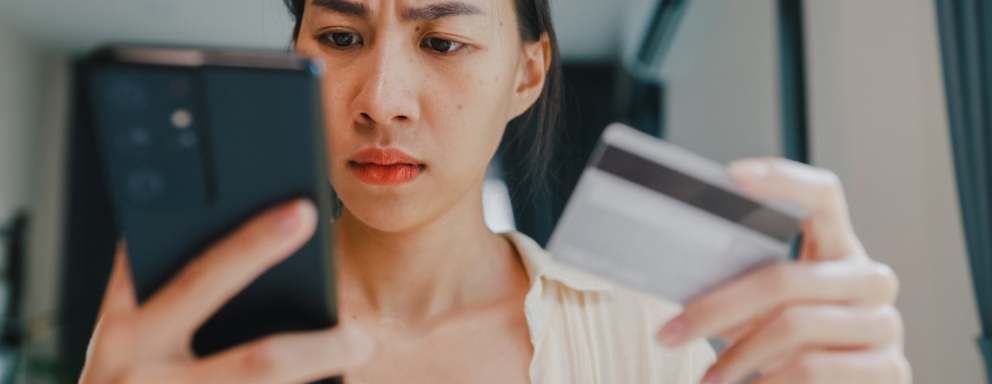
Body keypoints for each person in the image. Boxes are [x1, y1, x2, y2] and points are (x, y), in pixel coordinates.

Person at [78, 0, 911, 383]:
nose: (381, 99)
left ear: (527, 72)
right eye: (339, 37)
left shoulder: (644, 337)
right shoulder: (188, 340)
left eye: (441, 41)